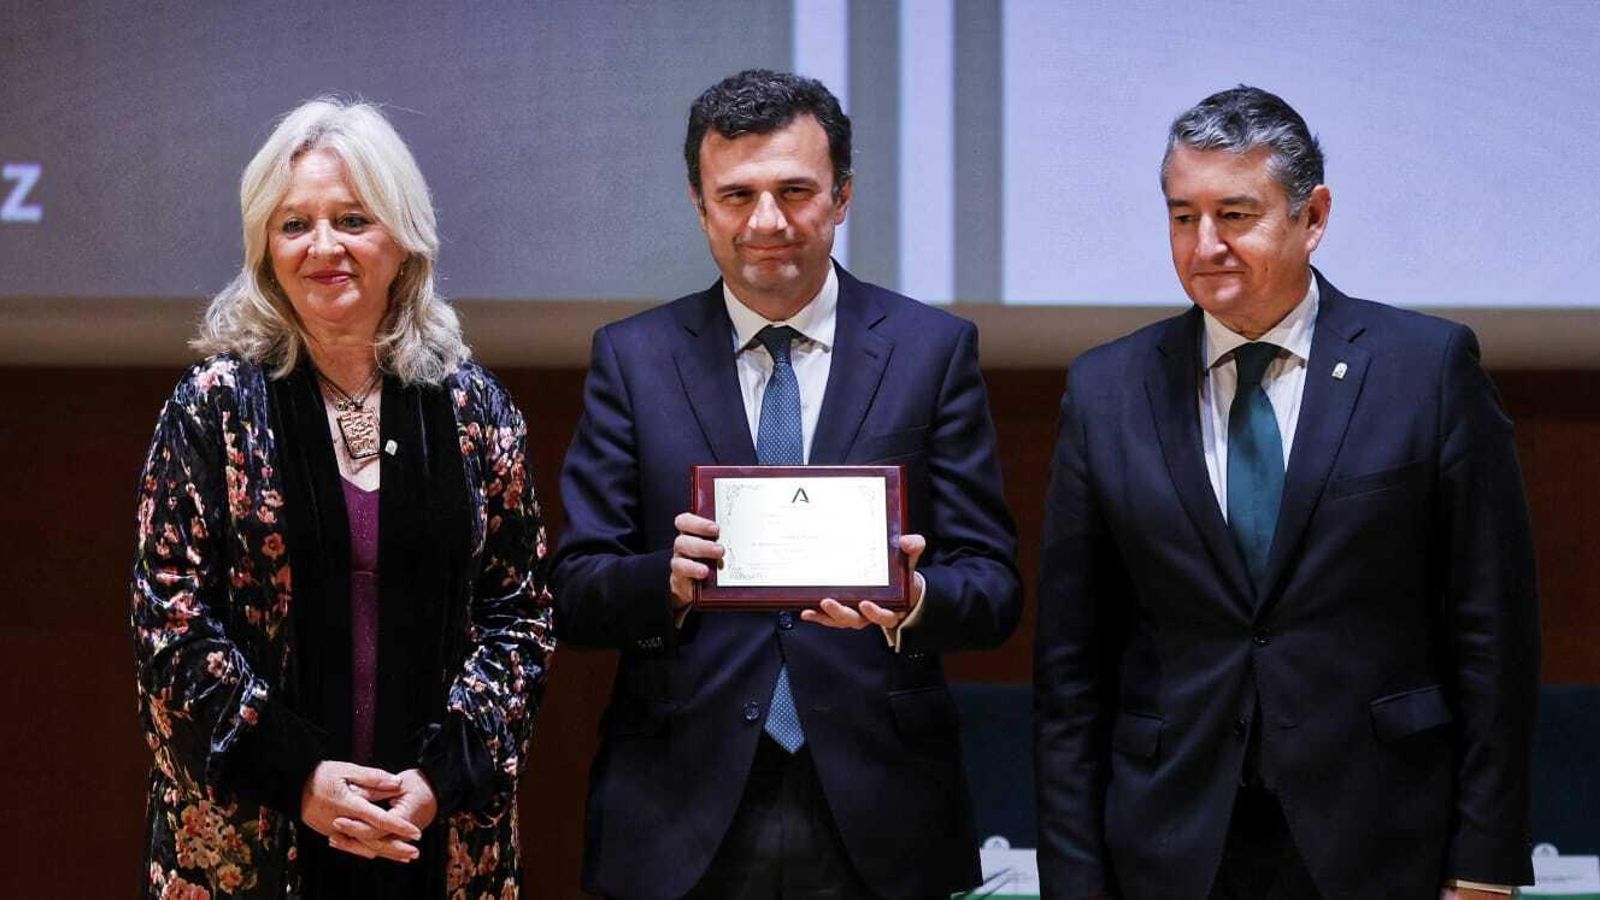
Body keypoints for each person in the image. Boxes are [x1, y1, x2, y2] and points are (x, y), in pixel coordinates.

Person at [1033, 85, 1541, 899]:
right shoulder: (1107, 389)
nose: (1205, 246)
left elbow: (1494, 635)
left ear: (1313, 217)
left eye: (1235, 215)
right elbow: (1070, 665)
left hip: (1381, 834)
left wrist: (1485, 862)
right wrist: (1072, 876)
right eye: (1181, 216)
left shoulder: (1427, 370)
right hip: (1171, 841)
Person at [551, 69, 1022, 899]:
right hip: (678, 804)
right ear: (699, 206)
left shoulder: (931, 351)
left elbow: (994, 587)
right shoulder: (633, 359)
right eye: (737, 196)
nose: (766, 221)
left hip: (883, 804)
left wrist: (915, 597)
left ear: (841, 197)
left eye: (795, 191)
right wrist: (662, 580)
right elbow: (577, 588)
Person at [130, 97, 555, 898]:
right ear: (265, 248)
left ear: (402, 241)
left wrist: (440, 776)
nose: (324, 247)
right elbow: (169, 627)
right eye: (295, 225)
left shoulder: (472, 409)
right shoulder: (211, 407)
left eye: (353, 220)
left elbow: (521, 614)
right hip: (255, 839)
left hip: (435, 831)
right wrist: (302, 776)